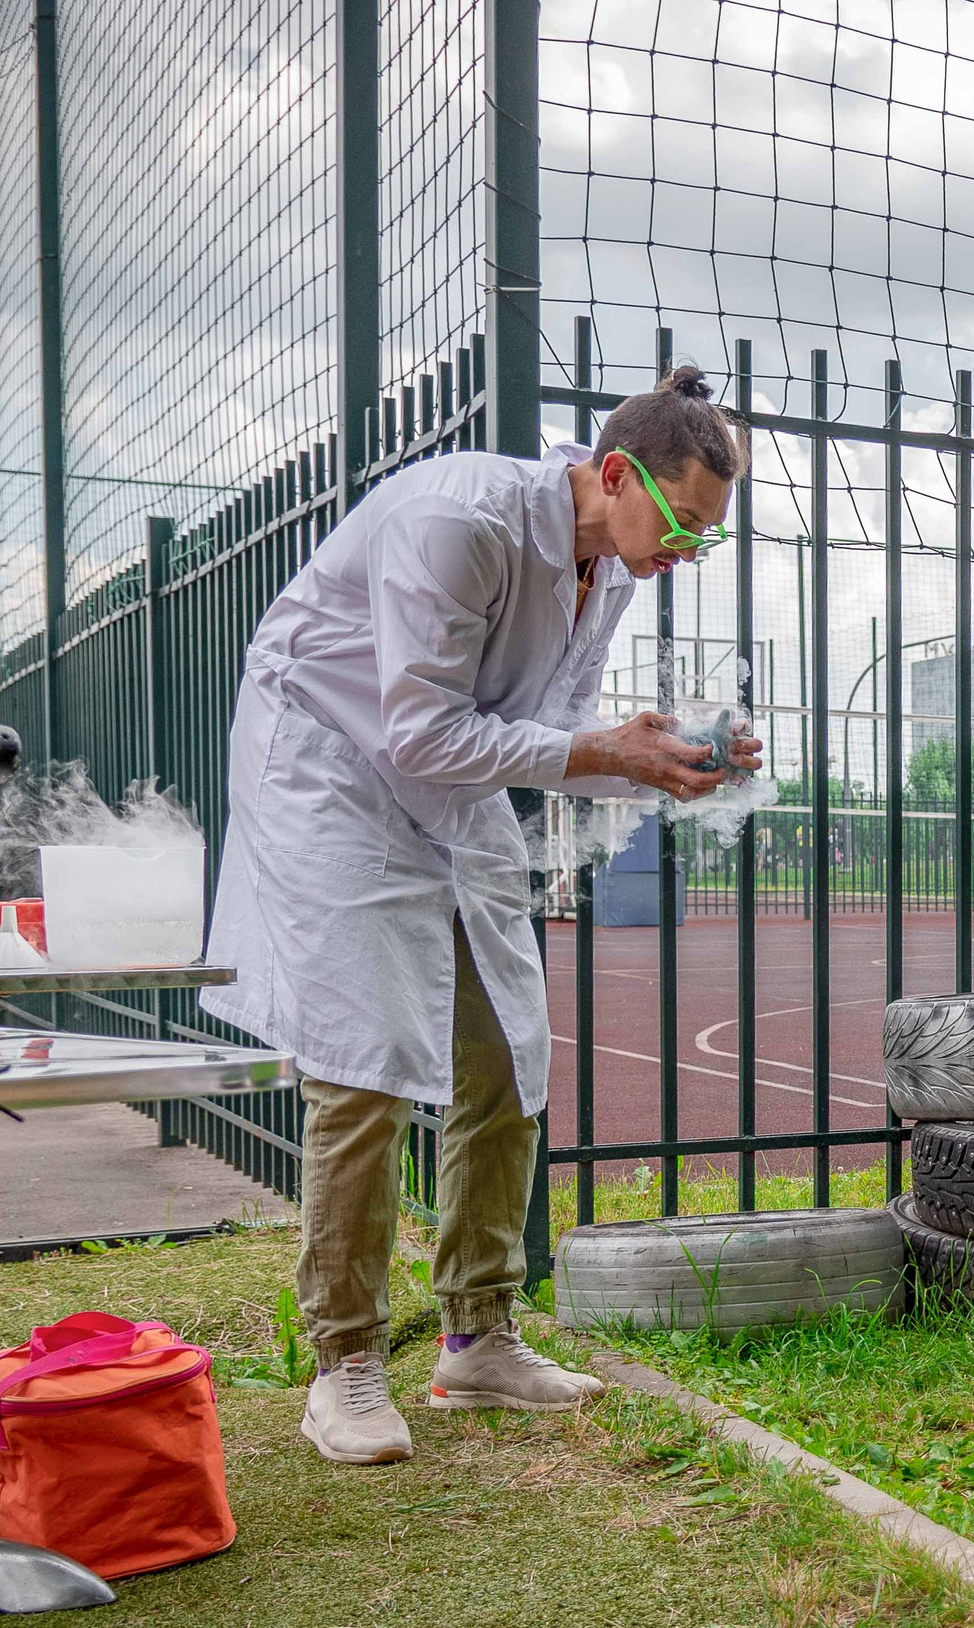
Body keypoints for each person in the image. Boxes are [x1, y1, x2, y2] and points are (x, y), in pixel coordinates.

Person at [203, 366, 764, 1467]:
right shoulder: (458, 521)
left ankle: (477, 1332)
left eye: (708, 536)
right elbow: (420, 731)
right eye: (685, 523)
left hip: (444, 784)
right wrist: (607, 750)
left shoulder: (610, 567)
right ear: (615, 473)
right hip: (328, 767)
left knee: (509, 1050)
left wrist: (665, 759)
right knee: (361, 1064)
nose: (688, 553)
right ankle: (345, 1358)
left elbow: (552, 736)